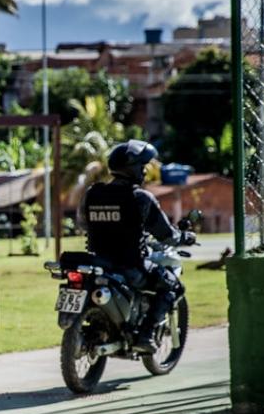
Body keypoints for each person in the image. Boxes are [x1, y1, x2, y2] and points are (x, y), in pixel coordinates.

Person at [80, 139, 196, 353]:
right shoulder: (141, 198)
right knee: (173, 286)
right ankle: (146, 334)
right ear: (133, 169)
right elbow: (166, 234)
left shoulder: (92, 193)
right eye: (142, 167)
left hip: (99, 263)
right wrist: (184, 236)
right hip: (131, 266)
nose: (144, 171)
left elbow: (82, 223)